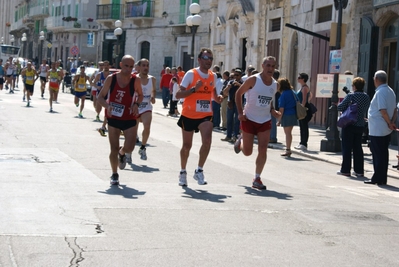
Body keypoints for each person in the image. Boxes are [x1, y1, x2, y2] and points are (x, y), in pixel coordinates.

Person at [176, 48, 222, 186]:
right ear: (199, 59)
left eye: (211, 58)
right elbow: (178, 95)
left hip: (206, 114)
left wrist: (220, 97)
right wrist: (193, 89)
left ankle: (199, 170)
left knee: (207, 141)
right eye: (206, 58)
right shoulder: (191, 74)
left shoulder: (213, 76)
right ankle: (183, 171)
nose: (208, 61)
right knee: (186, 146)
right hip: (189, 114)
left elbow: (214, 95)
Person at [234, 56, 280, 190]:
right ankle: (241, 141)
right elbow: (238, 94)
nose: (270, 68)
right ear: (262, 66)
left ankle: (257, 178)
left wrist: (273, 111)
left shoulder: (275, 85)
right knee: (247, 152)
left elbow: (268, 100)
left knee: (263, 148)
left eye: (273, 66)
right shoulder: (253, 80)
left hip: (264, 120)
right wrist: (240, 112)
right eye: (268, 65)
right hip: (249, 118)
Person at [97, 55, 143, 185]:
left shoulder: (136, 80)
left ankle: (122, 153)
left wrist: (136, 105)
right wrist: (107, 106)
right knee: (113, 147)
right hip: (114, 117)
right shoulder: (111, 79)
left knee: (130, 147)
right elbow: (100, 97)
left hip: (129, 117)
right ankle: (114, 174)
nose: (128, 69)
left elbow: (140, 95)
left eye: (131, 66)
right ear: (121, 65)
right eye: (126, 66)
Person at [364, 70, 396, 185]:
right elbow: (395, 110)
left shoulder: (381, 92)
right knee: (382, 153)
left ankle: (377, 177)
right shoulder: (390, 91)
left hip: (378, 128)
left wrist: (389, 122)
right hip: (383, 127)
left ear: (376, 79)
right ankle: (381, 178)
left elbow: (383, 110)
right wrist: (391, 122)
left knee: (377, 153)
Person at [336, 77, 370, 177]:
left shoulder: (351, 96)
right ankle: (359, 170)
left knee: (347, 148)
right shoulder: (366, 97)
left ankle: (345, 170)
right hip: (360, 124)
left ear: (354, 86)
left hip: (349, 124)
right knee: (357, 148)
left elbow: (340, 107)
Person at [125, 58, 156, 162]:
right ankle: (128, 152)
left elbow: (153, 90)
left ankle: (142, 148)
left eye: (147, 65)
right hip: (135, 107)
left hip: (147, 106)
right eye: (143, 65)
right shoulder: (133, 79)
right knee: (133, 132)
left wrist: (153, 96)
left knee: (147, 127)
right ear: (138, 67)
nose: (146, 68)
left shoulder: (152, 79)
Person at [220, 69, 243, 142]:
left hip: (239, 104)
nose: (235, 77)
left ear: (240, 76)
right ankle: (228, 135)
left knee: (237, 120)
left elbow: (246, 91)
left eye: (237, 75)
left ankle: (235, 136)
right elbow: (224, 93)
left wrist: (239, 85)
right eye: (234, 75)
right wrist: (228, 87)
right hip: (230, 103)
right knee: (229, 119)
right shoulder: (230, 82)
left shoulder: (243, 83)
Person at [277, 77, 297, 157]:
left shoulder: (284, 94)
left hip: (287, 114)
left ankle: (288, 149)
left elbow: (281, 108)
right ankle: (288, 149)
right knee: (289, 133)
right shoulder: (293, 92)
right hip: (293, 113)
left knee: (287, 133)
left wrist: (279, 120)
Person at [294, 73, 313, 151]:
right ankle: (302, 142)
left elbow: (304, 99)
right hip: (302, 107)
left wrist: (302, 107)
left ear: (303, 79)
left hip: (304, 108)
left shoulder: (305, 88)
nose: (298, 78)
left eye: (299, 77)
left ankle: (304, 143)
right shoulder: (302, 87)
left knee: (304, 126)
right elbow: (311, 95)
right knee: (301, 126)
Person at [94, 61, 111, 136]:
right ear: (103, 66)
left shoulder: (111, 75)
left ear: (109, 66)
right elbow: (93, 83)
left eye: (107, 65)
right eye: (105, 65)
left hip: (109, 94)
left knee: (107, 110)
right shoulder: (99, 75)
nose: (106, 67)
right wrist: (97, 86)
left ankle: (104, 125)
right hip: (100, 94)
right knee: (98, 109)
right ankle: (98, 114)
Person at [270, 69, 281, 144]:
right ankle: (271, 136)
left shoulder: (275, 84)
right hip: (273, 104)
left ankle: (273, 137)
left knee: (273, 121)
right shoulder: (275, 83)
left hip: (273, 104)